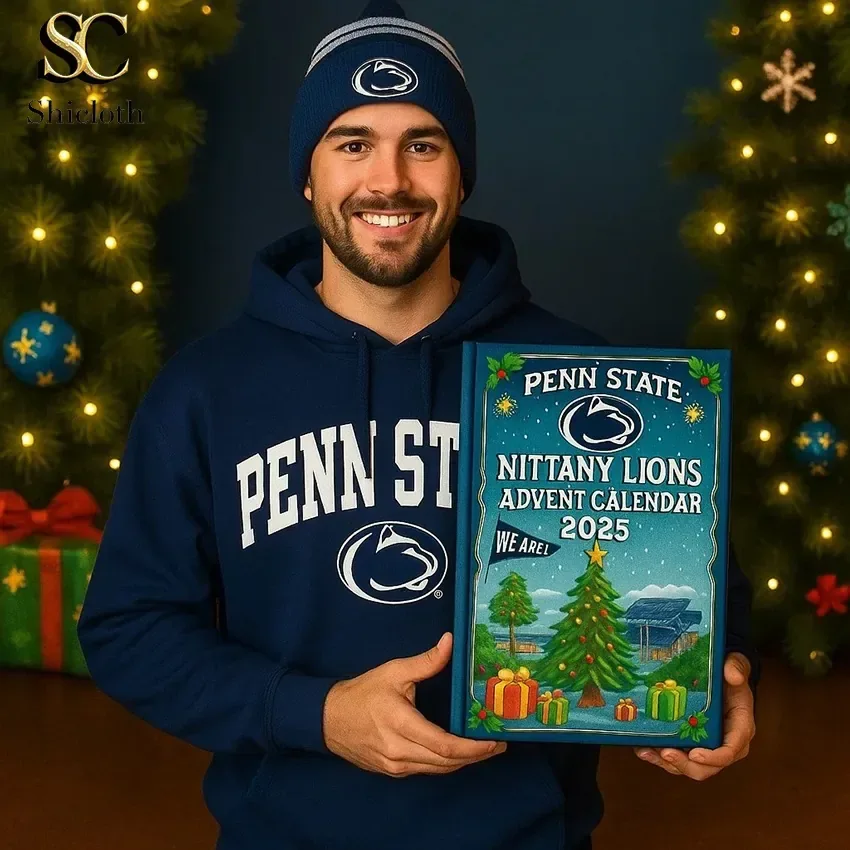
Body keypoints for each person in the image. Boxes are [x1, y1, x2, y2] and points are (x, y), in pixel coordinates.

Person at [77, 2, 758, 848]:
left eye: (424, 144)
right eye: (352, 142)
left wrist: (717, 677)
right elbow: (128, 629)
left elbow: (703, 596)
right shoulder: (206, 390)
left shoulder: (589, 381)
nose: (389, 180)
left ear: (462, 172)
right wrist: (316, 713)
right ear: (308, 173)